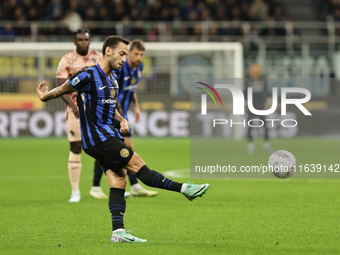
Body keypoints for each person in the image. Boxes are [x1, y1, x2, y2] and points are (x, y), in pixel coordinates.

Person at [37, 35, 210, 243]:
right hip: (97, 139)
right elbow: (64, 88)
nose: (124, 59)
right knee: (138, 166)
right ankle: (184, 189)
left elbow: (110, 107)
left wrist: (121, 119)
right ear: (108, 51)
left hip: (109, 135)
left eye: (126, 55)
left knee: (119, 180)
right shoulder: (88, 75)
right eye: (121, 54)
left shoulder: (112, 80)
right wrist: (45, 96)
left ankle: (118, 232)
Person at [92, 39, 158, 197]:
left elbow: (132, 88)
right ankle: (129, 186)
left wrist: (136, 105)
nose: (139, 57)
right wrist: (120, 118)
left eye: (141, 54)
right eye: (136, 54)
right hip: (115, 112)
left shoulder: (139, 67)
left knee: (113, 149)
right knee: (123, 149)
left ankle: (110, 186)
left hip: (125, 112)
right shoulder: (120, 69)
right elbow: (112, 92)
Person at [56, 28, 102, 202]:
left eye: (86, 39)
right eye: (80, 39)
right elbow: (61, 88)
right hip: (75, 110)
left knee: (105, 147)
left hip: (97, 109)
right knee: (76, 147)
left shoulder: (99, 58)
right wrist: (73, 107)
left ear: (90, 41)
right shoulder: (67, 60)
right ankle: (75, 192)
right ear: (74, 42)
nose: (83, 42)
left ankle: (103, 187)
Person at [244, 63, 273, 154]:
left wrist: (268, 101)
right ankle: (250, 145)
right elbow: (245, 93)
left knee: (265, 125)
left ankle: (266, 145)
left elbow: (267, 92)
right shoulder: (248, 80)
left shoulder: (263, 80)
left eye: (257, 69)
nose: (255, 71)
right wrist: (245, 103)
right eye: (254, 69)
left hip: (261, 106)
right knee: (250, 126)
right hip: (251, 106)